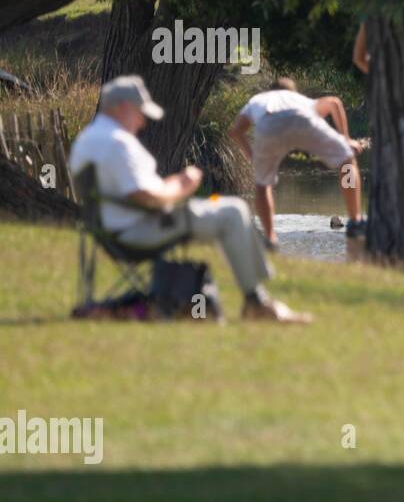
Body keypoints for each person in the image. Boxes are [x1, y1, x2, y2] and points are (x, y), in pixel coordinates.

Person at [69, 75, 309, 322]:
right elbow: (147, 196)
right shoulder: (116, 142)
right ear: (123, 107)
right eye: (140, 113)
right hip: (142, 230)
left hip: (118, 229)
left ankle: (257, 297)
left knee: (232, 209)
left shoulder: (90, 140)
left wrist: (176, 182)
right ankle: (256, 302)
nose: (142, 122)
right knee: (234, 211)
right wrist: (183, 188)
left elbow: (136, 190)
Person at [228, 77, 365, 249]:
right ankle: (355, 220)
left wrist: (253, 157)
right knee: (346, 160)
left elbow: (236, 132)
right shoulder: (301, 100)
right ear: (293, 92)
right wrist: (346, 139)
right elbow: (334, 103)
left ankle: (270, 238)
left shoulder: (257, 100)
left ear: (269, 91)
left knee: (263, 184)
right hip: (303, 118)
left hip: (269, 124)